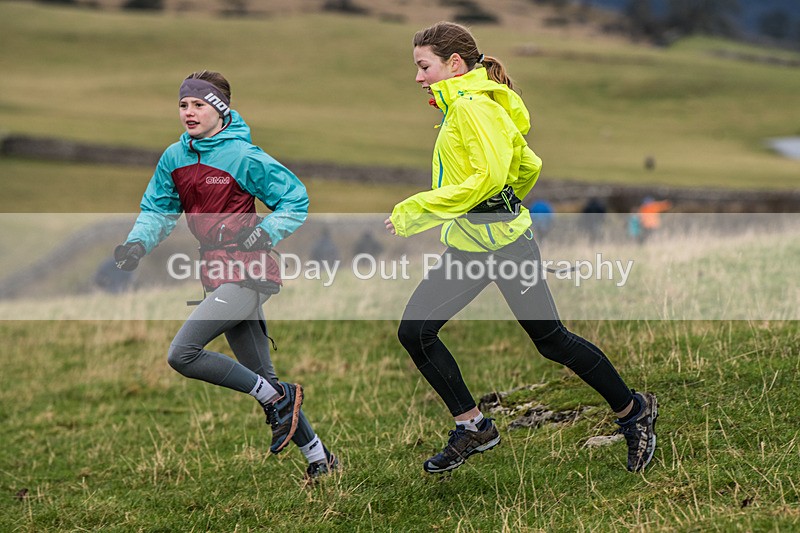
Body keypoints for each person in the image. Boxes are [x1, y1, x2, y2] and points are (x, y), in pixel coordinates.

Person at [384, 22, 657, 474]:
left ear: (453, 64)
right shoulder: (466, 105)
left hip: (507, 247)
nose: (418, 77)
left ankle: (634, 412)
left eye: (423, 66)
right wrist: (504, 201)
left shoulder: (473, 107)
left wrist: (418, 209)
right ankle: (473, 426)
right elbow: (526, 164)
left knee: (552, 341)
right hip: (474, 246)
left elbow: (489, 178)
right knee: (415, 331)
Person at [113, 71, 337, 480]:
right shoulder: (174, 158)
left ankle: (278, 398)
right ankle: (320, 457)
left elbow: (295, 199)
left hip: (249, 272)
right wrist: (137, 245)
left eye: (198, 104)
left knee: (182, 354)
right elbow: (157, 210)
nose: (188, 112)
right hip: (214, 273)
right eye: (183, 104)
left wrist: (265, 232)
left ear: (220, 109)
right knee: (265, 378)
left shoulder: (243, 156)